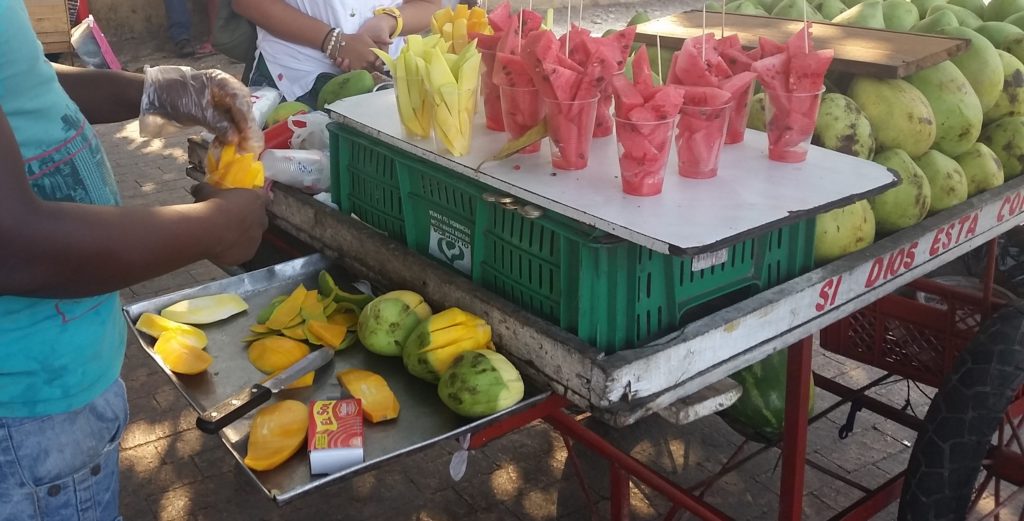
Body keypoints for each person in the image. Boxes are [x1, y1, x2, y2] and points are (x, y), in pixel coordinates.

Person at [0, 0, 268, 518]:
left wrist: (158, 92)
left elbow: (22, 80)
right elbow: (13, 247)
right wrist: (219, 227)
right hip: (24, 421)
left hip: (56, 381)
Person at [232, 0, 442, 106]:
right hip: (294, 82)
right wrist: (333, 41)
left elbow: (429, 5)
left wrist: (389, 22)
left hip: (389, 86)